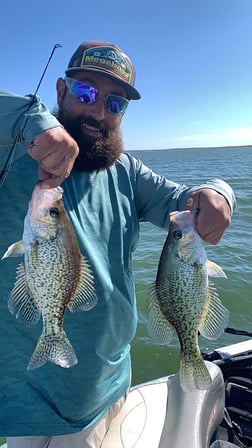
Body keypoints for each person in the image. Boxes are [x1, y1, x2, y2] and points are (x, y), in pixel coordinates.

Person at [0, 41, 235, 448]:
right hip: (20, 392)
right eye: (87, 93)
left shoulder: (126, 170)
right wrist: (30, 118)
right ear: (60, 91)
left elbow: (186, 203)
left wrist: (217, 192)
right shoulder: (15, 150)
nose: (98, 111)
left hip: (101, 388)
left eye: (115, 103)